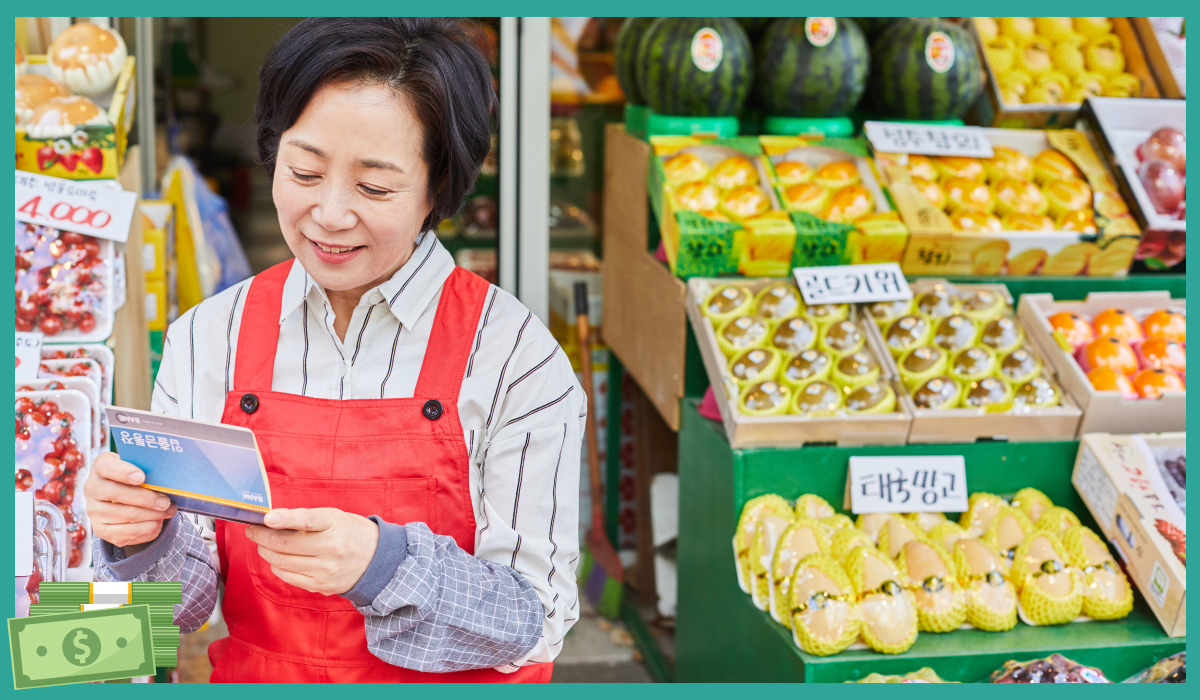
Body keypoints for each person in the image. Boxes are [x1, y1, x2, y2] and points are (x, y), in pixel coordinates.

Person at [84, 17, 582, 682]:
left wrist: (383, 566)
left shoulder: (515, 357)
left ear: (438, 188)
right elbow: (177, 611)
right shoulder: (207, 337)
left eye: (374, 187)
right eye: (305, 171)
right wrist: (139, 538)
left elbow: (536, 618)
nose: (330, 214)